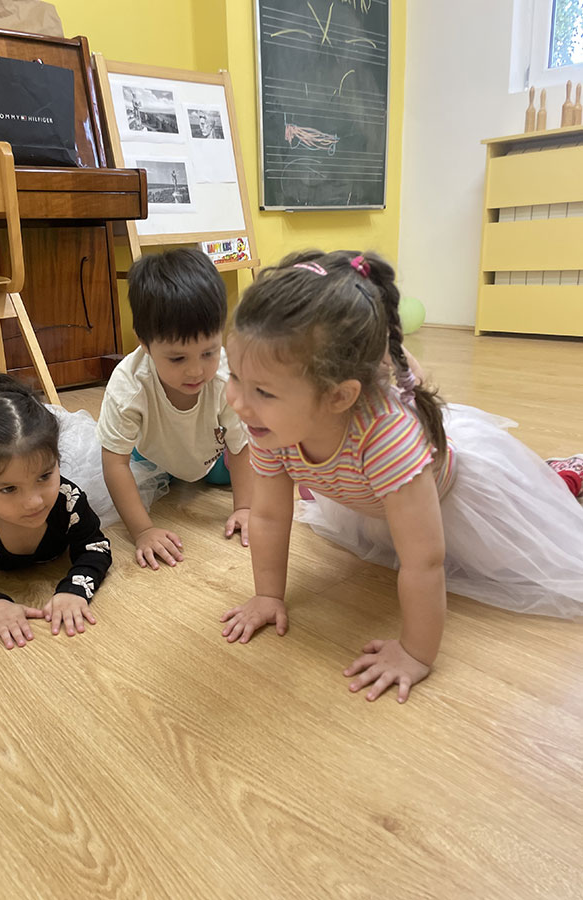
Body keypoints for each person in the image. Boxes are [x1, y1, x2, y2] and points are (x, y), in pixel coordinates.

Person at [220, 249, 583, 703]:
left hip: (454, 497)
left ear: (338, 397)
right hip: (377, 494)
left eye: (262, 391)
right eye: (234, 377)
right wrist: (268, 596)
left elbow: (424, 560)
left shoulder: (387, 438)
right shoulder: (269, 423)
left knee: (536, 526)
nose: (238, 402)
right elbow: (270, 516)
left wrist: (416, 652)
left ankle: (563, 475)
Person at [0, 373, 112, 651]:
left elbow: (95, 547)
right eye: (8, 489)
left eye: (44, 476)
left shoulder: (68, 499)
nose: (34, 502)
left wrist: (75, 589)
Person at [97, 247, 251, 570]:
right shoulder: (128, 386)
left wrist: (245, 508)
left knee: (256, 458)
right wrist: (143, 530)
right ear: (144, 342)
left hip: (212, 457)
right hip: (151, 458)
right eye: (178, 358)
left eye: (209, 352)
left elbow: (240, 447)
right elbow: (115, 463)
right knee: (142, 475)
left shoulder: (226, 376)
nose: (196, 371)